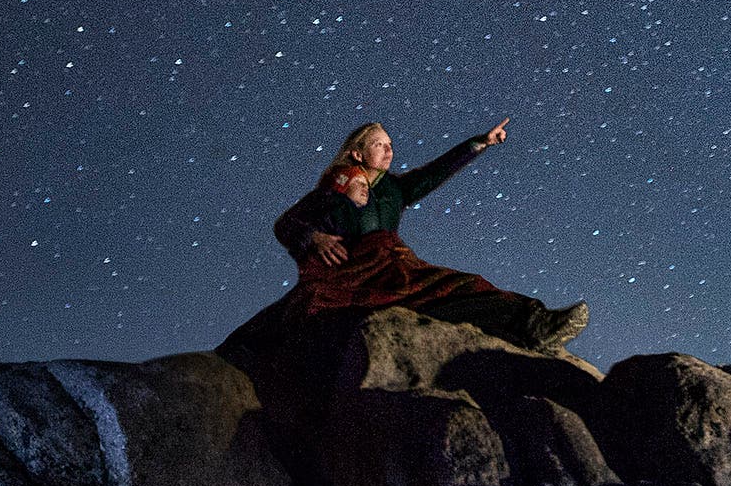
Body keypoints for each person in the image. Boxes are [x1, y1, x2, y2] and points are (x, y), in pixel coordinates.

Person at [224, 115, 585, 366]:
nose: (389, 150)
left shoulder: (395, 188)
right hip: (349, 272)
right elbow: (286, 224)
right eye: (380, 144)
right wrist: (314, 237)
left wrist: (479, 144)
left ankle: (532, 322)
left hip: (392, 263)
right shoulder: (330, 192)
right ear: (357, 153)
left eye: (391, 144)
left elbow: (435, 172)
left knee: (457, 287)